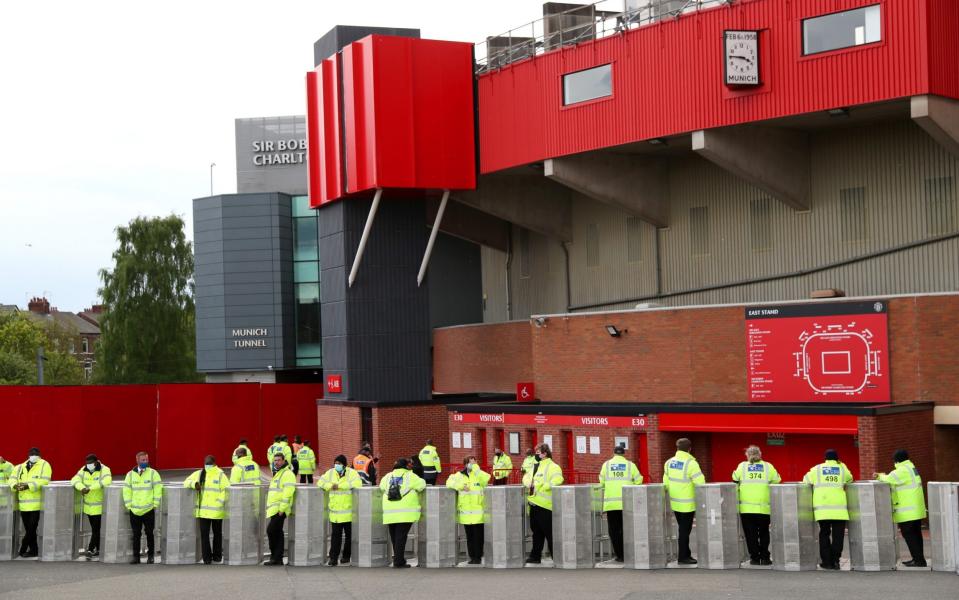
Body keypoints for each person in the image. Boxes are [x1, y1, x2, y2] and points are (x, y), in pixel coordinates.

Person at [875, 449, 927, 567]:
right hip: (916, 509)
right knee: (916, 534)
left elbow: (889, 478)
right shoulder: (911, 467)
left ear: (897, 460)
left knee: (909, 535)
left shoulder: (902, 470)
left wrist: (878, 475)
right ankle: (919, 559)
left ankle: (918, 560)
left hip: (908, 511)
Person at [803, 449, 854, 570]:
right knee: (838, 536)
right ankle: (835, 561)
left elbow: (805, 480)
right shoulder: (842, 468)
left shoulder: (817, 469)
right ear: (837, 459)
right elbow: (850, 478)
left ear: (825, 458)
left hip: (822, 509)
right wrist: (841, 464)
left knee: (824, 534)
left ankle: (826, 562)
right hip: (839, 510)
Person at [732, 445, 781, 566]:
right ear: (760, 454)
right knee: (764, 533)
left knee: (750, 534)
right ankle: (765, 558)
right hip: (764, 507)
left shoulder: (742, 466)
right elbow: (777, 480)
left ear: (747, 455)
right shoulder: (767, 466)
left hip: (746, 508)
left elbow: (734, 478)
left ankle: (754, 558)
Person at [663, 438, 705, 565]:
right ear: (689, 449)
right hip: (687, 503)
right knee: (685, 531)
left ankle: (686, 554)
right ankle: (683, 557)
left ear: (677, 448)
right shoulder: (691, 463)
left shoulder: (669, 462)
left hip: (675, 501)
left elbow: (666, 482)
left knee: (682, 529)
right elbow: (700, 482)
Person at [599, 444, 643, 563]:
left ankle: (620, 555)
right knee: (627, 529)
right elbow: (639, 480)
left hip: (611, 504)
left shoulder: (606, 465)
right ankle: (629, 553)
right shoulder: (630, 465)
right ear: (624, 454)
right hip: (627, 503)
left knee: (614, 530)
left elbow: (601, 482)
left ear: (614, 453)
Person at [316, 454, 363, 566]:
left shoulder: (352, 473)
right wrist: (330, 486)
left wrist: (340, 486)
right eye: (336, 463)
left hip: (349, 512)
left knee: (349, 536)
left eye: (339, 463)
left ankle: (346, 556)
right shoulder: (330, 472)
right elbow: (320, 482)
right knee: (335, 537)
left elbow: (358, 483)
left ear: (345, 465)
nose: (337, 465)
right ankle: (333, 558)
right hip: (335, 513)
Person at [380, 457, 426, 568]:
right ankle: (398, 561)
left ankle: (398, 558)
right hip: (405, 511)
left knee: (395, 536)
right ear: (406, 466)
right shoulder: (410, 476)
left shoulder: (387, 476)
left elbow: (382, 487)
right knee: (401, 536)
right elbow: (421, 485)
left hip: (389, 511)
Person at [184, 455, 230, 565]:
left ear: (214, 463)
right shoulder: (200, 473)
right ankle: (207, 558)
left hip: (216, 511)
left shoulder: (220, 474)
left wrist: (219, 503)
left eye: (209, 464)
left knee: (217, 534)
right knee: (204, 535)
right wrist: (194, 484)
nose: (207, 466)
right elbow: (186, 481)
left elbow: (226, 490)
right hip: (203, 511)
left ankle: (217, 556)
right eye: (206, 464)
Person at [523, 443, 563, 565]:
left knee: (549, 533)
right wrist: (528, 483)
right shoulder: (535, 466)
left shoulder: (553, 466)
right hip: (533, 504)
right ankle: (535, 556)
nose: (536, 454)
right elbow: (525, 477)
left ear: (545, 453)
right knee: (536, 533)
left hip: (546, 506)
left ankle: (556, 557)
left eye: (538, 452)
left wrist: (543, 486)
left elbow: (558, 480)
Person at [446, 456, 490, 564]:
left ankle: (478, 557)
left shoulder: (479, 475)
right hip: (466, 513)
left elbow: (487, 478)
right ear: (465, 464)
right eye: (470, 463)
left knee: (478, 537)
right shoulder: (459, 475)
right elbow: (449, 482)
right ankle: (472, 557)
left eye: (475, 462)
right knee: (469, 537)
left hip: (478, 513)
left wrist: (477, 469)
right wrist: (460, 486)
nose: (473, 465)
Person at [9, 447, 51, 558]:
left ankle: (23, 547)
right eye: (31, 453)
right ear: (28, 454)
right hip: (23, 504)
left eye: (35, 453)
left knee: (32, 527)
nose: (33, 455)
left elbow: (45, 480)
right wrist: (15, 485)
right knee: (29, 529)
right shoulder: (20, 467)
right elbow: (12, 479)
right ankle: (34, 550)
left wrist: (28, 485)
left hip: (36, 504)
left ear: (39, 454)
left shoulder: (44, 465)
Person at [122, 451, 162, 564]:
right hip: (134, 510)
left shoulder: (153, 473)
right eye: (143, 460)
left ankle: (150, 556)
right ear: (137, 460)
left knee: (150, 533)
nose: (145, 462)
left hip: (148, 509)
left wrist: (155, 504)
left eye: (146, 460)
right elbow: (126, 490)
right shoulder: (130, 475)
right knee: (136, 534)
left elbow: (158, 489)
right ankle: (136, 557)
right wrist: (129, 505)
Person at [70, 453, 112, 559]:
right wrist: (82, 488)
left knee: (96, 529)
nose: (88, 465)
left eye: (90, 463)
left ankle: (90, 549)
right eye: (87, 463)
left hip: (99, 506)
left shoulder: (104, 469)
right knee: (95, 529)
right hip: (88, 507)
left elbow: (107, 481)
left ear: (96, 462)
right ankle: (98, 549)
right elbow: (74, 480)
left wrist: (91, 488)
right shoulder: (84, 470)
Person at [264, 453, 296, 565]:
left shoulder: (287, 474)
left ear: (284, 461)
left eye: (278, 460)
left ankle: (276, 557)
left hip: (280, 510)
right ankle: (277, 558)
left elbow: (288, 493)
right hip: (275, 509)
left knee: (271, 531)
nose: (276, 462)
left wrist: (282, 509)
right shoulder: (279, 473)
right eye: (275, 460)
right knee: (277, 532)